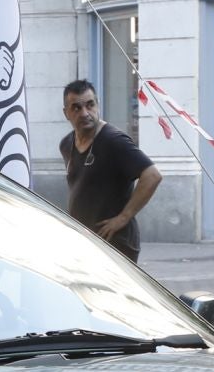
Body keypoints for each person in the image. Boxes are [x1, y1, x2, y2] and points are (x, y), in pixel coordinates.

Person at [58, 79, 162, 263]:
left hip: (116, 243)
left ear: (97, 105)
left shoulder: (114, 141)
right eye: (76, 108)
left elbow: (152, 176)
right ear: (66, 113)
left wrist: (124, 217)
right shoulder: (66, 144)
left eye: (90, 105)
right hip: (86, 243)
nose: (84, 113)